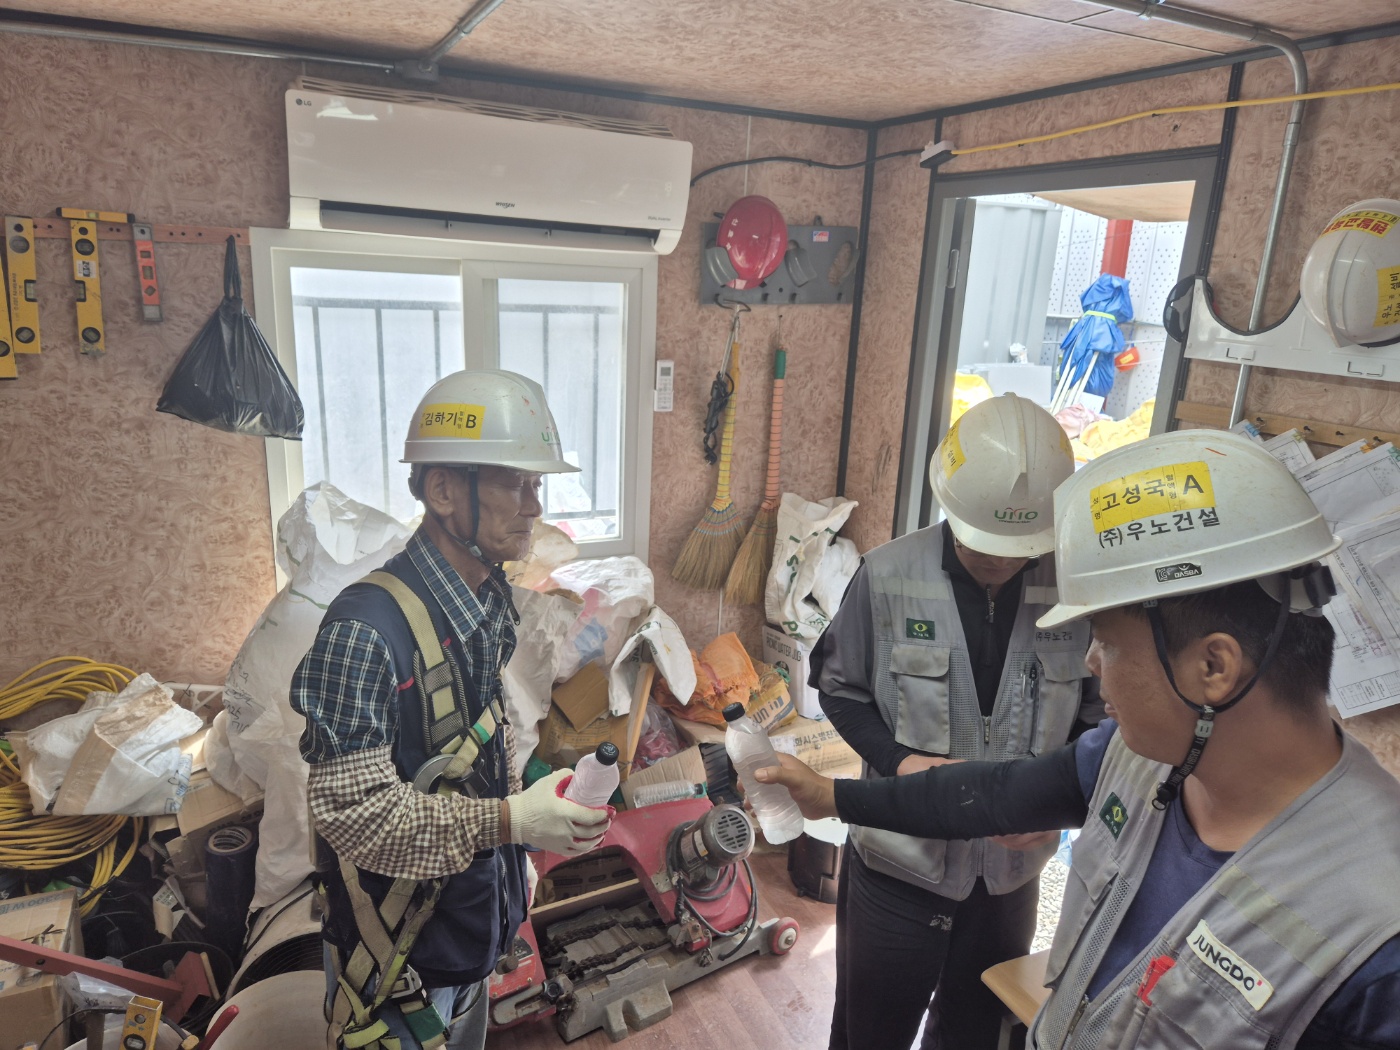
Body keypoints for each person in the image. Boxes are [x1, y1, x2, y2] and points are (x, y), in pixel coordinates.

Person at [759, 429, 1400, 1050]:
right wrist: (833, 797)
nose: (1091, 664)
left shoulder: (1376, 948)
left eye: (1109, 644)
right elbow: (992, 794)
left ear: (1214, 667)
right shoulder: (1130, 762)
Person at [292, 370, 612, 1050]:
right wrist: (510, 822)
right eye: (515, 484)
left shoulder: (485, 599)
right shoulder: (363, 633)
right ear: (442, 491)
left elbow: (476, 743)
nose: (534, 507)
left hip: (468, 934)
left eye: (537, 484)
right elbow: (359, 820)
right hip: (393, 970)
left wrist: (519, 836)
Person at [814, 393, 1100, 1050]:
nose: (1001, 561)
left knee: (976, 1036)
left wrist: (1059, 803)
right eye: (984, 543)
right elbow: (839, 688)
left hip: (1009, 884)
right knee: (869, 1035)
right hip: (897, 869)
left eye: (1019, 548)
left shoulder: (1075, 589)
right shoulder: (887, 575)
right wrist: (900, 762)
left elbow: (1097, 723)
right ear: (950, 504)